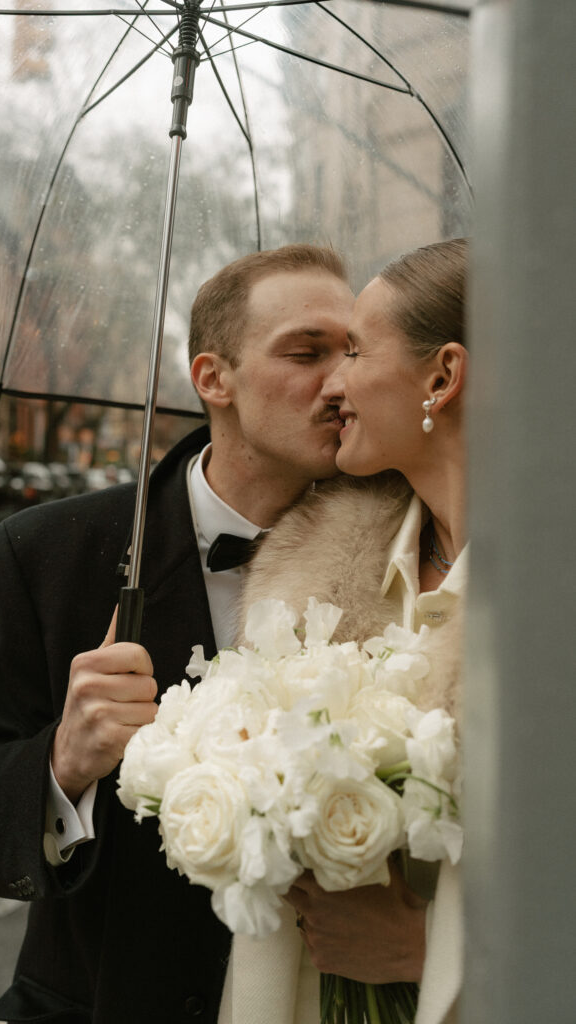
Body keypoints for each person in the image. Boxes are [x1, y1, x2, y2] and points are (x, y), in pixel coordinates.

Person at [0, 244, 356, 1024]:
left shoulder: (404, 547)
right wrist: (63, 760)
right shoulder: (42, 553)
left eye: (353, 352)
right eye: (306, 352)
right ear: (211, 378)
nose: (341, 382)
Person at [236, 238, 468, 1024]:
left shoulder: (550, 597)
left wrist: (430, 952)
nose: (333, 385)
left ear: (441, 377)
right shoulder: (305, 569)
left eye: (357, 350)